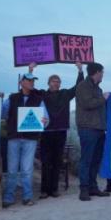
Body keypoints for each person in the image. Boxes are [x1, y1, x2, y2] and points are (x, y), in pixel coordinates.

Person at [28, 62, 84, 199]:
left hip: (61, 131)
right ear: (48, 83)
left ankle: (54, 189)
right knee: (46, 162)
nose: (56, 83)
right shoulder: (42, 94)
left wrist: (80, 70)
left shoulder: (65, 94)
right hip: (46, 132)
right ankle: (44, 190)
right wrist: (30, 70)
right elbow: (29, 88)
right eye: (54, 81)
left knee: (57, 161)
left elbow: (78, 87)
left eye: (58, 81)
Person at [1, 73, 49, 208]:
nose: (32, 82)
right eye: (29, 80)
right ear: (21, 82)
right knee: (11, 169)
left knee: (27, 169)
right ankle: (8, 197)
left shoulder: (39, 99)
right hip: (13, 138)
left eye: (33, 80)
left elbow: (45, 118)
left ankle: (27, 197)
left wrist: (44, 121)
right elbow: (3, 114)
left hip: (30, 139)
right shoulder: (11, 98)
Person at [75, 62, 110, 201]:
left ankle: (93, 187)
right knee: (86, 160)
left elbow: (100, 105)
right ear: (96, 72)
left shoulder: (98, 89)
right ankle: (84, 189)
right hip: (88, 128)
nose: (102, 75)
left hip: (99, 128)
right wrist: (103, 99)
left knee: (95, 160)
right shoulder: (83, 86)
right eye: (102, 72)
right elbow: (87, 104)